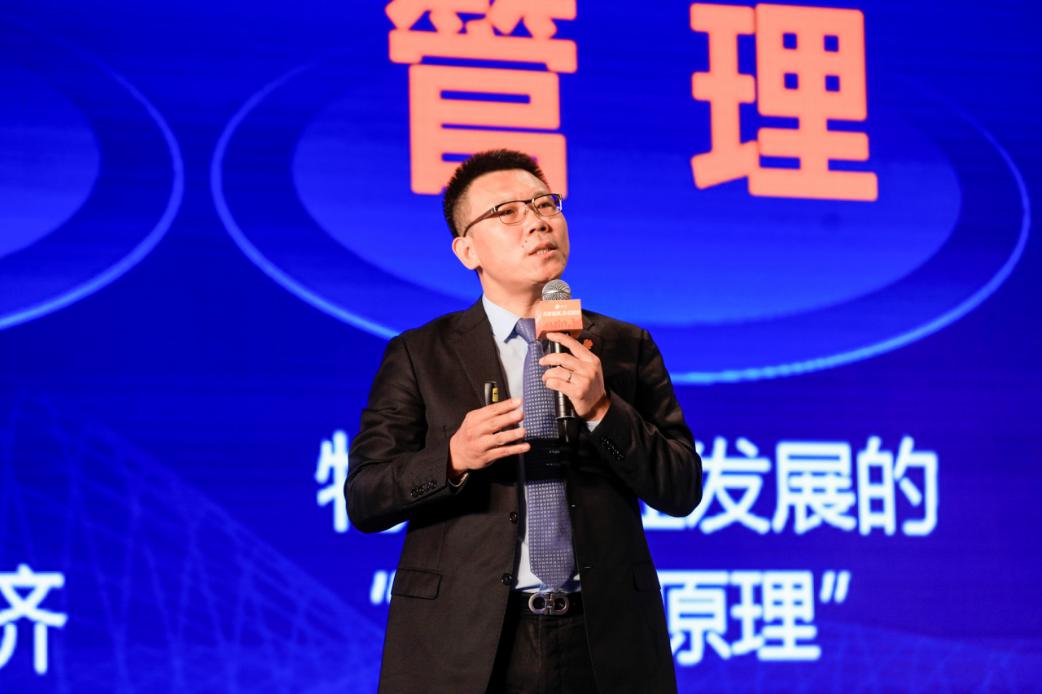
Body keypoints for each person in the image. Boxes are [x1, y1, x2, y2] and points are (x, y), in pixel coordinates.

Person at [346, 149, 702, 693]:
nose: (537, 222)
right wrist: (453, 459)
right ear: (467, 250)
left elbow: (681, 488)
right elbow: (366, 496)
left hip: (604, 640)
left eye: (545, 205)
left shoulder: (625, 347)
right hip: (466, 642)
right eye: (507, 212)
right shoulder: (420, 354)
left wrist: (602, 411)